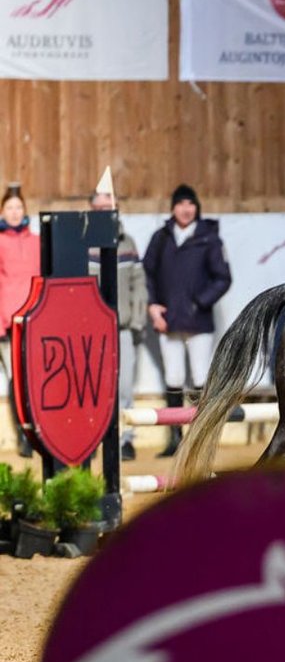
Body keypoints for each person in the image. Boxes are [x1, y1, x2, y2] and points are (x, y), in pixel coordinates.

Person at [143, 184, 232, 457]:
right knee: (173, 377)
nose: (186, 209)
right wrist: (153, 307)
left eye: (190, 203)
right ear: (173, 208)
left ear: (197, 208)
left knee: (200, 376)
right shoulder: (161, 237)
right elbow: (147, 273)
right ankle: (175, 439)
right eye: (180, 203)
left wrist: (199, 302)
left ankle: (200, 439)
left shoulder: (209, 239)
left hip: (198, 323)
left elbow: (223, 278)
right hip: (167, 322)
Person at [87, 189, 148, 461]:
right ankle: (92, 439)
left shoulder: (128, 243)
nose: (104, 211)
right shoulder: (82, 244)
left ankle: (125, 440)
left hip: (122, 329)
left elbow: (139, 284)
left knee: (124, 387)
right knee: (93, 387)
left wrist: (136, 321)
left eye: (108, 206)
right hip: (91, 332)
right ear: (91, 210)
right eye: (99, 207)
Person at [0, 184, 39, 456]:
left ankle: (41, 431)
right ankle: (24, 434)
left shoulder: (37, 241)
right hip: (8, 322)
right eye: (9, 208)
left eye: (18, 207)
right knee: (17, 378)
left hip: (35, 320)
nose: (15, 212)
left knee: (35, 377)